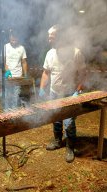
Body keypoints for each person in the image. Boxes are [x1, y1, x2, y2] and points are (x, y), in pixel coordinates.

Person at [39, 25, 86, 163]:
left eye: (51, 37)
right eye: (49, 37)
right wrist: (42, 88)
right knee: (56, 118)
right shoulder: (50, 54)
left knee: (69, 121)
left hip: (70, 93)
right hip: (54, 93)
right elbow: (46, 73)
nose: (49, 40)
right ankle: (57, 140)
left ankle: (70, 147)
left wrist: (78, 90)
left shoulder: (76, 53)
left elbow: (83, 74)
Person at [4, 30, 28, 108]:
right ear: (9, 37)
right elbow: (4, 62)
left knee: (16, 96)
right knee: (7, 96)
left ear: (18, 38)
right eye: (12, 37)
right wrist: (7, 72)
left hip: (18, 76)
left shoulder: (21, 48)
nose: (13, 39)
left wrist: (25, 74)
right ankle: (7, 112)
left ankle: (14, 113)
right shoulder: (5, 47)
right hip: (8, 77)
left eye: (15, 37)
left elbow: (24, 62)